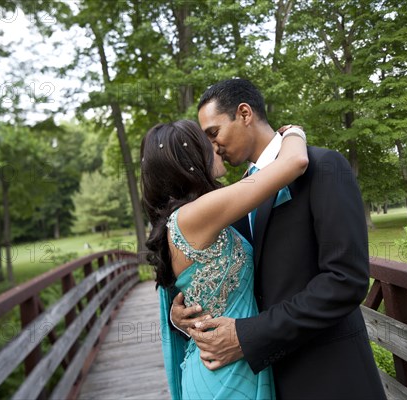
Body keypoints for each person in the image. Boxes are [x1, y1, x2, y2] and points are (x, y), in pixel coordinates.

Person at [172, 78, 387, 399]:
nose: (211, 146)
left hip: (328, 375)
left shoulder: (325, 167)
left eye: (214, 133)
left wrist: (247, 336)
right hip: (263, 381)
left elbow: (346, 280)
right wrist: (182, 314)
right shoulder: (240, 193)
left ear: (244, 114)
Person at [140, 119, 308, 399]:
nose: (216, 146)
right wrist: (293, 132)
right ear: (190, 158)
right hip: (225, 374)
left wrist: (176, 316)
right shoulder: (196, 215)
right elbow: (295, 161)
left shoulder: (190, 218)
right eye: (207, 140)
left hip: (225, 363)